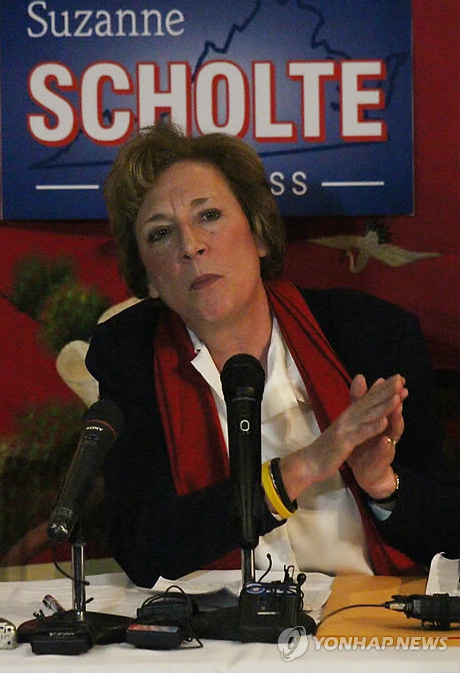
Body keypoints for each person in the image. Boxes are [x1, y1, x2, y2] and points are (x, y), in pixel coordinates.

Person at [86, 120, 459, 589]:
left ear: (259, 235)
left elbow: (450, 531)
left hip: (364, 615)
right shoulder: (130, 354)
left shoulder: (372, 334)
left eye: (209, 215)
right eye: (160, 233)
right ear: (148, 278)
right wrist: (303, 468)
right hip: (216, 625)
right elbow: (141, 546)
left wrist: (383, 486)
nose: (191, 246)